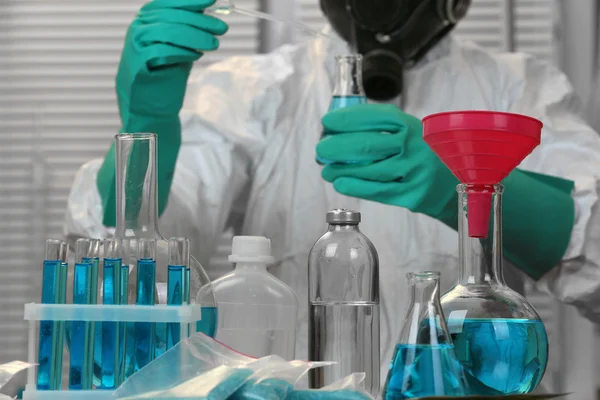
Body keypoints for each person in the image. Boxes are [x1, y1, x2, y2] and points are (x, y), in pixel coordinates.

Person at [65, 0, 600, 384]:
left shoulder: (519, 88)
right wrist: (147, 121)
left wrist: (461, 185)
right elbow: (142, 262)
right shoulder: (253, 91)